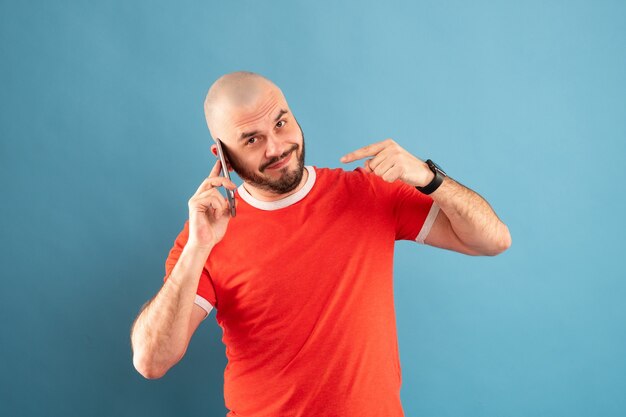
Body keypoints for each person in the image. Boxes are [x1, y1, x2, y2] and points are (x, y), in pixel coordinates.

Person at [130, 71, 511, 416]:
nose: (276, 147)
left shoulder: (368, 193)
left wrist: (429, 178)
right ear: (222, 155)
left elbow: (493, 240)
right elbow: (152, 361)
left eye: (281, 123)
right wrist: (198, 247)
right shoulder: (206, 234)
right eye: (252, 139)